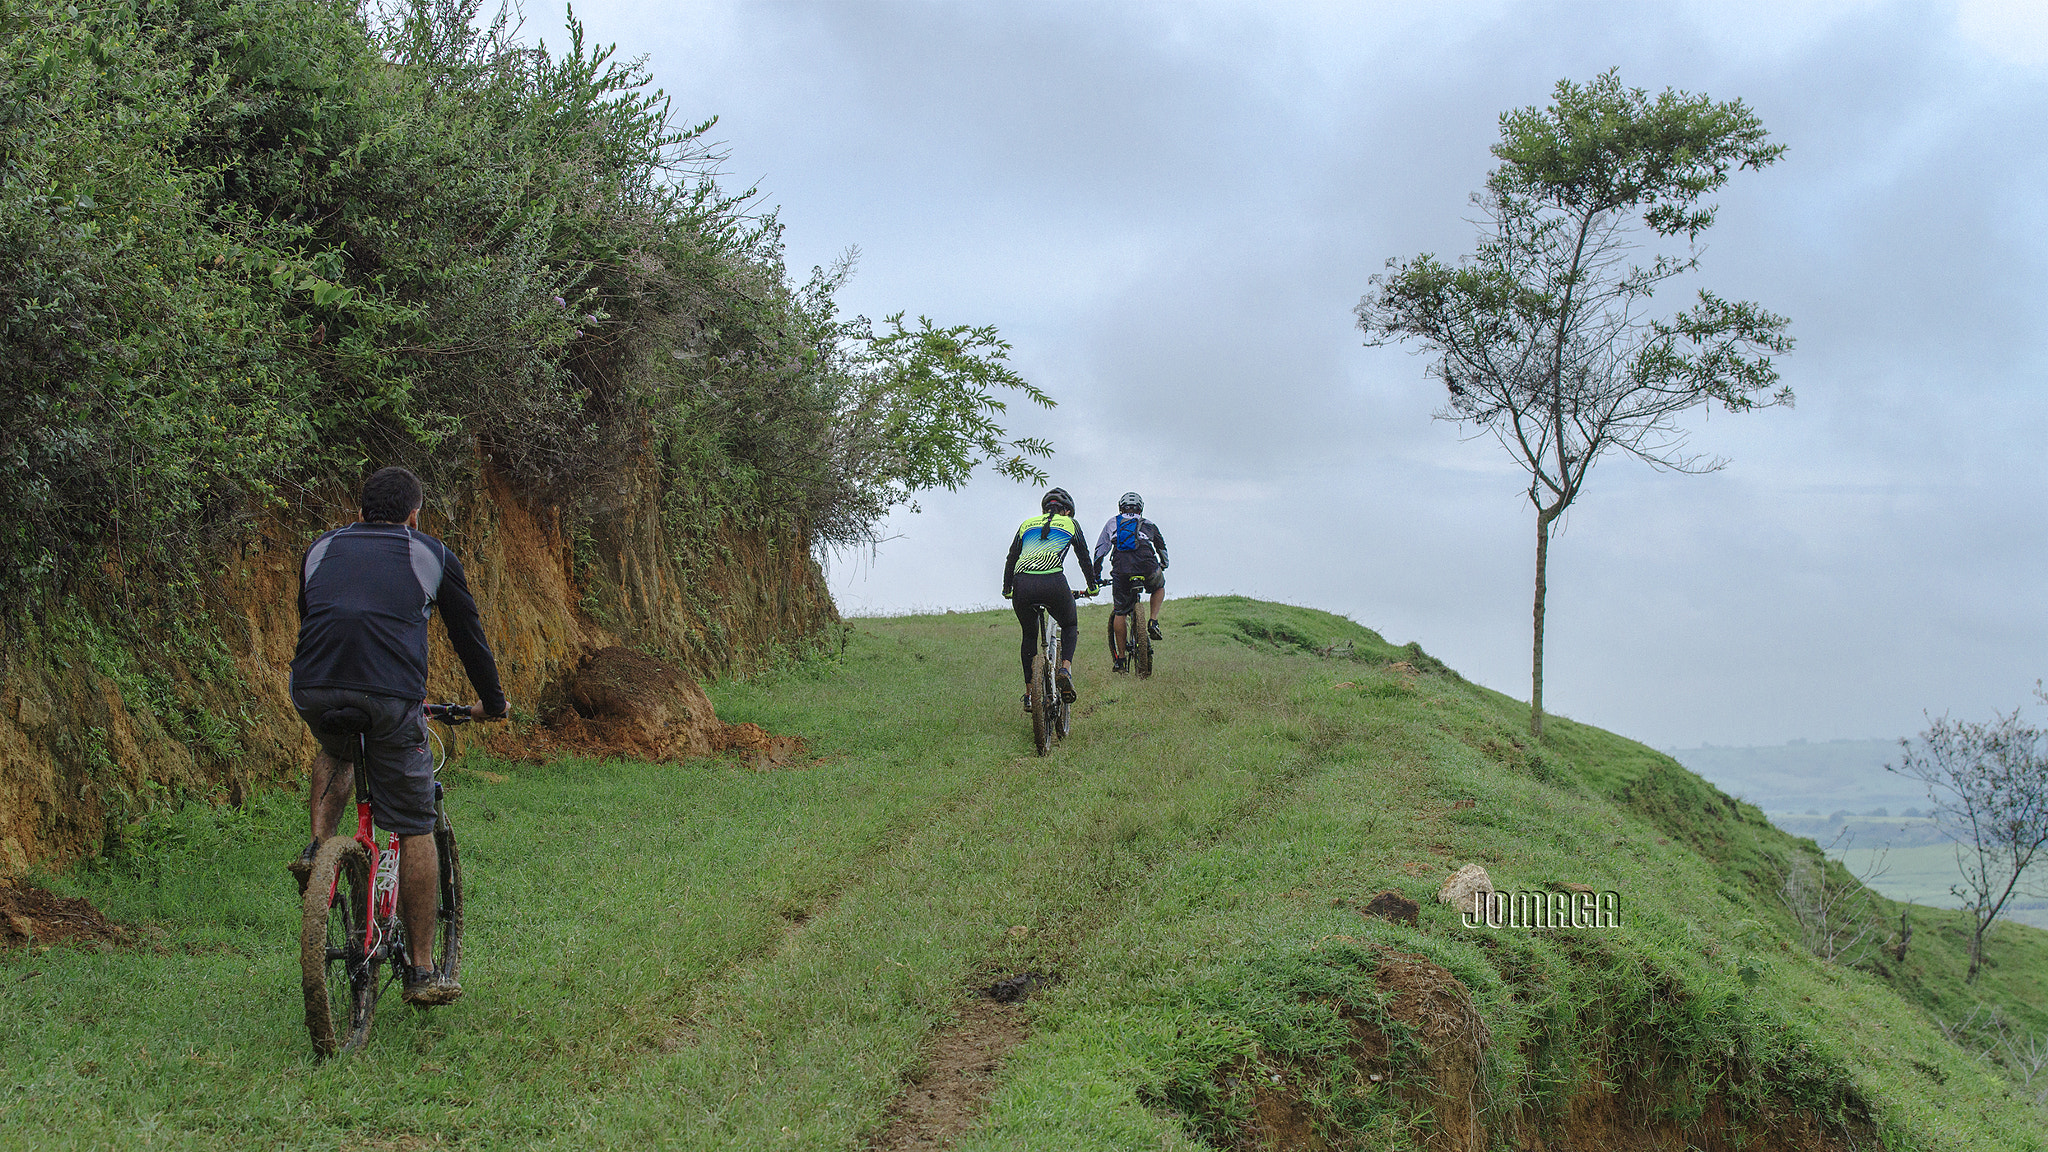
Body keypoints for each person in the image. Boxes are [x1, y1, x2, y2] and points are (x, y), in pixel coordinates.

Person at [285, 467, 510, 1007]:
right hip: (389, 700)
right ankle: (424, 971)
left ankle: (319, 847)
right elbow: (468, 635)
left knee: (336, 748)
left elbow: (314, 618)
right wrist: (493, 702)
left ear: (359, 512)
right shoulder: (430, 552)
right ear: (414, 515)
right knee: (414, 825)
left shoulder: (321, 548)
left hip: (313, 688)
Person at [1002, 487, 1098, 708]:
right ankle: (1065, 669)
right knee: (1070, 623)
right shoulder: (1071, 524)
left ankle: (1028, 694)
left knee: (1029, 636)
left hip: (1022, 583)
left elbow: (1011, 557)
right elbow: (1083, 556)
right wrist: (1091, 587)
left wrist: (1007, 589)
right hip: (1053, 582)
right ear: (1067, 511)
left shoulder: (1027, 524)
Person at [1092, 491, 1169, 673]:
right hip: (1146, 562)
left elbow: (1100, 550)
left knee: (1120, 611)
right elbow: (1161, 547)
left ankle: (1120, 660)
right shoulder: (1149, 524)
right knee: (1159, 587)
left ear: (1121, 507)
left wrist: (1096, 574)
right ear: (1140, 509)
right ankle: (1153, 621)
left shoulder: (1113, 522)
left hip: (1122, 566)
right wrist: (1163, 565)